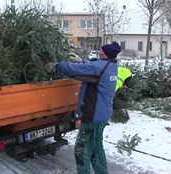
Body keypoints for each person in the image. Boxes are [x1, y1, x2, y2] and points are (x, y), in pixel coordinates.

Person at [47, 41, 121, 174]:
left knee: (81, 150)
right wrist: (84, 61)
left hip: (92, 117)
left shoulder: (100, 67)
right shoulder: (111, 66)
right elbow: (92, 68)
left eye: (102, 50)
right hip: (102, 115)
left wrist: (58, 65)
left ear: (106, 54)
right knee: (96, 148)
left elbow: (75, 70)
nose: (99, 51)